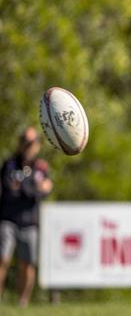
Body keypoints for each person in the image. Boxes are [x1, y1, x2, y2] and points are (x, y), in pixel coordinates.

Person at [0, 127, 53, 307]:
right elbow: (10, 191)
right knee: (2, 259)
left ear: (37, 145)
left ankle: (23, 302)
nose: (27, 146)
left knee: (27, 263)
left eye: (31, 142)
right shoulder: (10, 164)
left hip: (30, 222)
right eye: (24, 141)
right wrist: (33, 189)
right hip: (8, 219)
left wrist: (26, 188)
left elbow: (46, 189)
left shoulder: (41, 167)